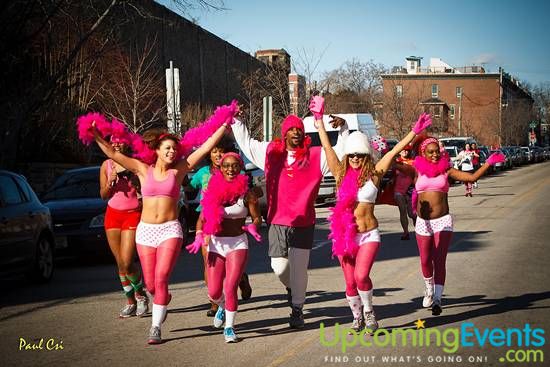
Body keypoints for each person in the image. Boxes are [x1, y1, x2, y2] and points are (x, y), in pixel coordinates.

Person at [86, 106, 235, 344]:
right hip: (145, 231)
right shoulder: (142, 170)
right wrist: (94, 134)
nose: (172, 152)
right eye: (167, 148)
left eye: (174, 149)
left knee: (162, 276)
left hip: (169, 230)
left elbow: (206, 147)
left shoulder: (179, 170)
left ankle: (155, 327)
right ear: (156, 150)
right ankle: (160, 298)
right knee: (151, 284)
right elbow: (113, 155)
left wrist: (223, 126)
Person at [314, 100, 433, 333]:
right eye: (352, 155)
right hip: (344, 236)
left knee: (361, 276)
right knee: (349, 283)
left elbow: (396, 150)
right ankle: (356, 317)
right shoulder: (339, 173)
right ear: (347, 156)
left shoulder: (376, 174)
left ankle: (368, 311)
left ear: (366, 155)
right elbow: (328, 148)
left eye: (360, 155)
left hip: (368, 234)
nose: (356, 158)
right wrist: (319, 120)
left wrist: (414, 132)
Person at [230, 99, 349, 329]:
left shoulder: (315, 155)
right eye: (291, 129)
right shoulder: (270, 153)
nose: (296, 132)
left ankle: (297, 308)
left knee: (298, 267)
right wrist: (235, 118)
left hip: (304, 221)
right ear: (284, 134)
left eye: (299, 130)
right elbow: (246, 142)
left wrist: (343, 129)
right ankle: (293, 290)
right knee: (279, 267)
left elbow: (338, 154)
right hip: (277, 221)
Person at [398, 137, 505, 315]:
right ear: (423, 153)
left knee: (439, 259)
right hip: (423, 223)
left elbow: (471, 177)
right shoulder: (415, 170)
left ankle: (438, 299)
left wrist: (488, 163)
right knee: (425, 260)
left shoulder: (446, 169)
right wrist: (382, 147)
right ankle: (429, 290)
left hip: (443, 221)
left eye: (437, 152)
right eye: (430, 152)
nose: (434, 155)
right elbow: (392, 164)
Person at [186, 152, 262, 342]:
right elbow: (202, 218)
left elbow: (257, 217)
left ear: (240, 168)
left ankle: (229, 327)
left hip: (237, 243)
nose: (230, 169)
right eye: (226, 165)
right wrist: (198, 235)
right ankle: (221, 306)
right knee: (213, 292)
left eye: (234, 165)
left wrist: (253, 226)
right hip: (216, 244)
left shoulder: (247, 194)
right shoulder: (213, 191)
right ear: (220, 169)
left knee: (230, 287)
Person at [189, 140, 253, 317]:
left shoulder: (234, 171)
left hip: (231, 225)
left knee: (231, 272)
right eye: (214, 151)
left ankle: (240, 280)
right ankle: (215, 302)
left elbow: (253, 194)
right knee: (209, 263)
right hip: (208, 220)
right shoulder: (203, 172)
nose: (217, 154)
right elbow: (189, 187)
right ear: (209, 154)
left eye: (221, 151)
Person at [99, 132, 148, 318]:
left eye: (120, 140)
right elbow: (103, 195)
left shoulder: (134, 162)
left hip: (132, 214)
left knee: (128, 261)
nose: (117, 144)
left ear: (126, 143)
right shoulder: (106, 165)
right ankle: (130, 301)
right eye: (113, 141)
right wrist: (110, 182)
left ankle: (141, 295)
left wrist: (135, 181)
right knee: (120, 263)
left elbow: (146, 187)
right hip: (112, 215)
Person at [393, 145, 416, 240]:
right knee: (402, 211)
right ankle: (405, 233)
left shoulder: (413, 162)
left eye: (407, 150)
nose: (405, 152)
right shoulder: (396, 162)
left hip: (411, 189)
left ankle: (419, 231)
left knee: (412, 214)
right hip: (399, 190)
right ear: (399, 152)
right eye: (403, 150)